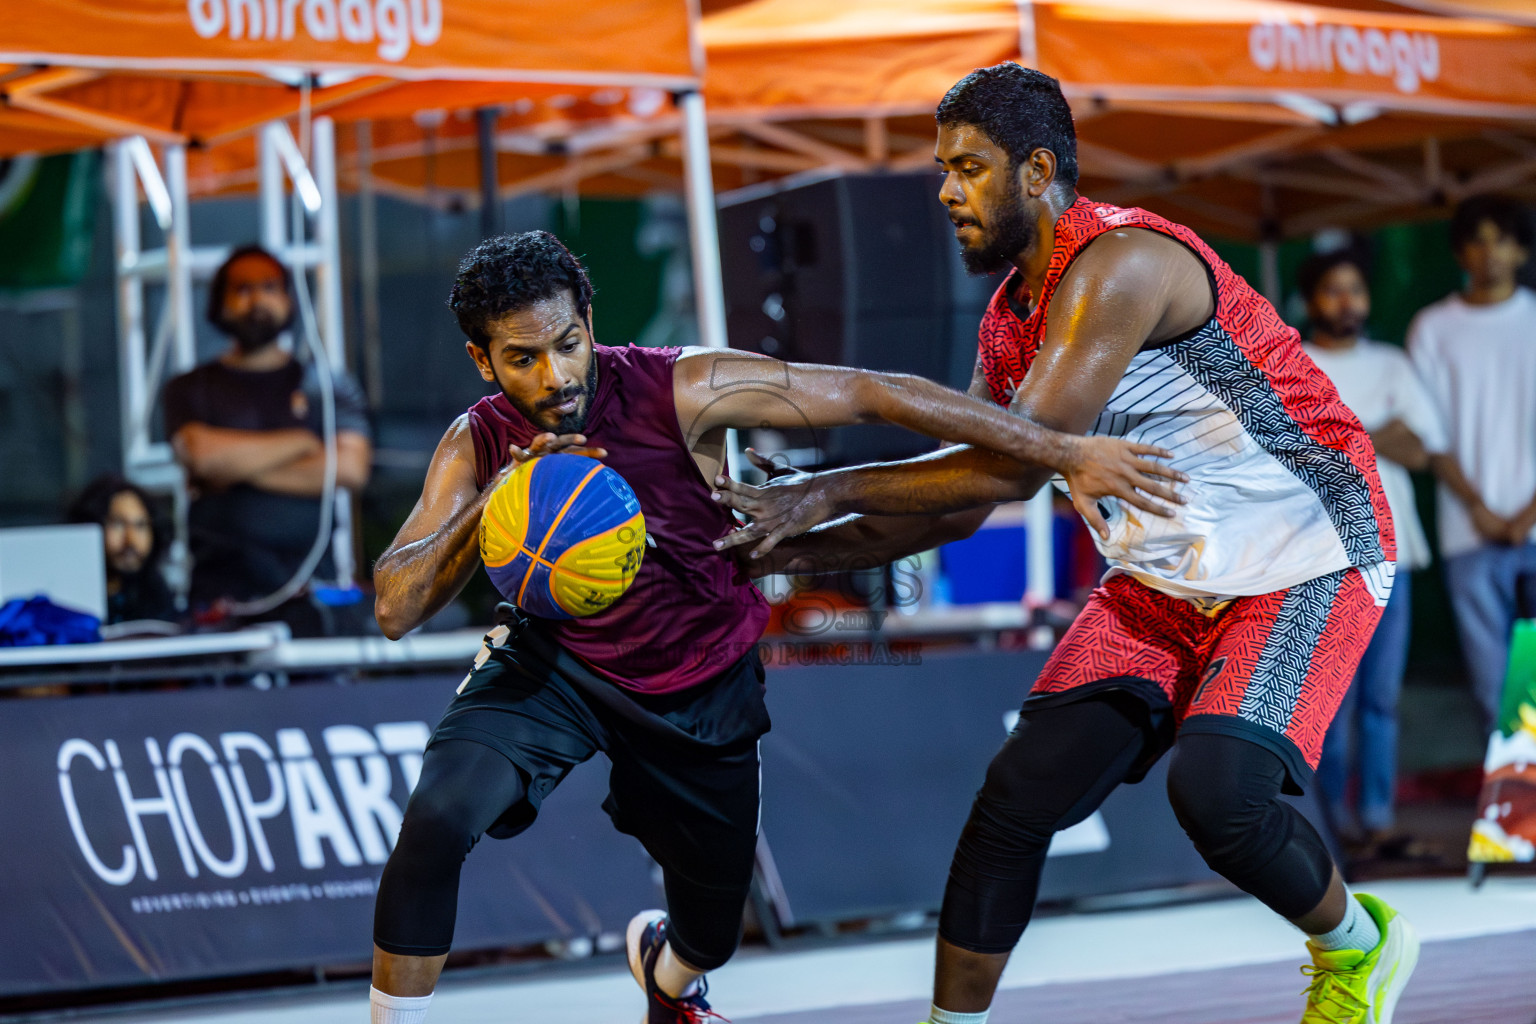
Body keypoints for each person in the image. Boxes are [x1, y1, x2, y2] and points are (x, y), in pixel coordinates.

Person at [713, 64, 1417, 1024]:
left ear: (1037, 170)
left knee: (1219, 795)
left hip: (1308, 554)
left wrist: (819, 488)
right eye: (942, 168)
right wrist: (779, 550)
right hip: (1165, 579)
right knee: (1015, 798)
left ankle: (1361, 949)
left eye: (968, 168)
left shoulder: (1122, 265)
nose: (946, 191)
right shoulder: (1011, 321)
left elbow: (1006, 469)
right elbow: (960, 507)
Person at [365, 230, 1179, 1024]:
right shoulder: (477, 441)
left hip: (700, 680)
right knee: (438, 817)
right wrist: (493, 503)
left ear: (587, 316)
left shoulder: (682, 388)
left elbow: (872, 392)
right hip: (556, 670)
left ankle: (670, 980)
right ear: (483, 359)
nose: (555, 375)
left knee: (710, 935)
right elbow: (395, 608)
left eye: (568, 344)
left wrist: (1061, 448)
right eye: (522, 359)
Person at [1299, 250, 1447, 849]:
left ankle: (1379, 818)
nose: (1347, 302)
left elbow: (1423, 450)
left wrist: (1345, 432)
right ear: (1311, 301)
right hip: (1322, 557)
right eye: (1333, 291)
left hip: (1397, 555)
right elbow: (1299, 451)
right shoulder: (1295, 364)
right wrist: (1377, 431)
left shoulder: (1393, 363)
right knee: (1330, 701)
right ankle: (1332, 823)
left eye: (1355, 290)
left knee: (1382, 699)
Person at [162, 245, 372, 635]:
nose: (256, 299)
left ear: (289, 299)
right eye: (242, 289)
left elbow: (349, 468)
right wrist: (303, 442)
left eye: (269, 287)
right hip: (220, 598)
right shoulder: (190, 388)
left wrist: (234, 470)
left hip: (312, 593)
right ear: (219, 302)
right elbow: (202, 456)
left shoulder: (326, 387)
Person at [1407, 195, 1536, 734]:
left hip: (1532, 528)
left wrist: (1527, 515)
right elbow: (1428, 436)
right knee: (1494, 686)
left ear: (1522, 248)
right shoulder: (1432, 328)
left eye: (1502, 238)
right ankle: (1518, 817)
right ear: (1460, 252)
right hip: (1468, 532)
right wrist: (1480, 510)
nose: (1491, 253)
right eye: (1478, 240)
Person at [65, 473, 176, 625]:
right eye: (117, 524)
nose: (130, 540)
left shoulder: (158, 596)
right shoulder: (71, 596)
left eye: (140, 525)